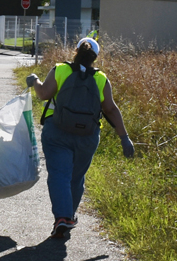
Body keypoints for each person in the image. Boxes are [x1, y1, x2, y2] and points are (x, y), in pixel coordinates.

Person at [26, 37, 134, 238]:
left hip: (56, 131)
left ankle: (62, 218)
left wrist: (35, 81)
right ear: (95, 57)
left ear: (75, 51)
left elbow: (43, 94)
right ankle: (69, 216)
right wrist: (124, 137)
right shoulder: (101, 78)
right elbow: (110, 109)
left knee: (59, 174)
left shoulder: (61, 69)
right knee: (76, 178)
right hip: (87, 136)